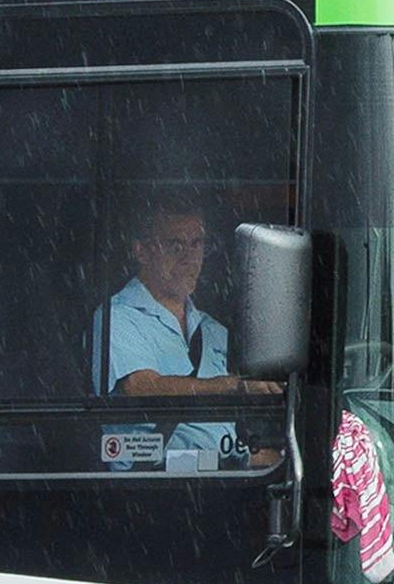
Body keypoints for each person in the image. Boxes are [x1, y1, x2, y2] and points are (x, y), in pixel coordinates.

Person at [95, 201, 273, 471]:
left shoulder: (213, 331)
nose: (190, 258)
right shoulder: (116, 318)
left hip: (224, 473)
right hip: (155, 480)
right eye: (176, 246)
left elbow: (224, 443)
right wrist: (233, 387)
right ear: (142, 251)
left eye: (196, 245)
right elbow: (141, 388)